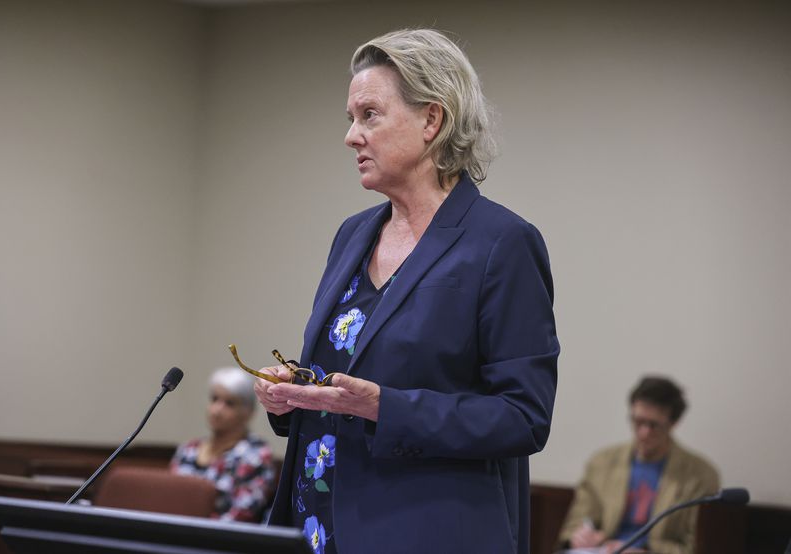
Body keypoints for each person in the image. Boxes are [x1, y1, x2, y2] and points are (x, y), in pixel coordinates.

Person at [251, 29, 559, 554]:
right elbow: (348, 377)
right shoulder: (352, 234)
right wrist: (294, 395)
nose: (352, 135)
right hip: (315, 526)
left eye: (369, 115)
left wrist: (386, 408)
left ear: (431, 121)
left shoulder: (501, 243)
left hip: (423, 531)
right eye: (351, 118)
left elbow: (523, 417)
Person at [557, 376, 720, 554]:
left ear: (673, 424)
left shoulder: (699, 475)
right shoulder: (602, 463)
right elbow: (576, 522)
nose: (643, 433)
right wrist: (581, 537)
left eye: (654, 425)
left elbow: (694, 546)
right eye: (638, 421)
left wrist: (645, 550)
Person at [170, 367, 276, 522]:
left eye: (229, 403)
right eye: (214, 399)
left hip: (222, 541)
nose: (217, 410)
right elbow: (167, 499)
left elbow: (242, 514)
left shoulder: (256, 455)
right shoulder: (188, 449)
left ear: (249, 412)